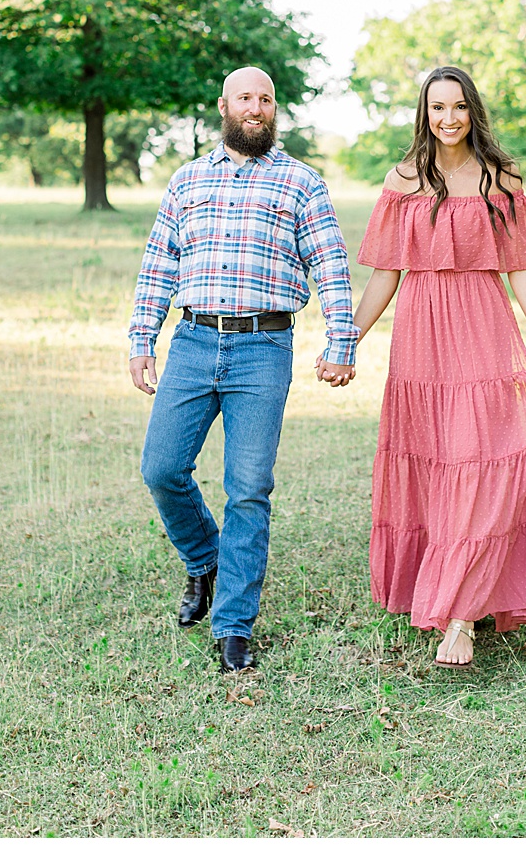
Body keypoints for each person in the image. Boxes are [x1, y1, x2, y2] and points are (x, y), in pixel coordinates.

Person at [349, 65, 526, 667]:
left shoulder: (501, 179)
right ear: (423, 115)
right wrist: (348, 337)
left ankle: (461, 617)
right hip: (421, 338)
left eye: (457, 107)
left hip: (482, 327)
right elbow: (386, 274)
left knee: (478, 458)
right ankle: (447, 588)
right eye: (436, 108)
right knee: (436, 463)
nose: (447, 118)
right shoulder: (403, 180)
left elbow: (522, 267)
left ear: (473, 111)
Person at [128, 66, 359, 673]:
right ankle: (203, 558)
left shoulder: (302, 183)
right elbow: (159, 264)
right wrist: (141, 337)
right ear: (224, 105)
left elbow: (331, 266)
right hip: (194, 342)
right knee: (160, 467)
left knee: (249, 490)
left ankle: (233, 626)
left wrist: (343, 341)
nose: (256, 108)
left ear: (274, 109)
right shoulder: (187, 182)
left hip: (264, 348)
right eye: (245, 99)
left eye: (266, 99)